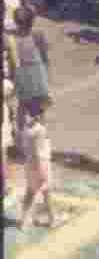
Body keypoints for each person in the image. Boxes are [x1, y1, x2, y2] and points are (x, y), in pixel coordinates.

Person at [16, 97, 62, 229]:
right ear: (38, 115)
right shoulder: (40, 130)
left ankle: (24, 220)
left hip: (29, 165)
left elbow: (25, 148)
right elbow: (38, 153)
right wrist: (41, 172)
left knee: (30, 192)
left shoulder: (26, 129)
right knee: (47, 191)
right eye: (42, 113)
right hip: (41, 165)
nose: (44, 115)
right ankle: (53, 219)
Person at [10, 7, 50, 139]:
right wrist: (46, 75)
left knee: (22, 107)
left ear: (16, 22)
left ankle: (22, 140)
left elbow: (12, 61)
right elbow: (44, 57)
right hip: (37, 74)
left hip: (23, 74)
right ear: (32, 21)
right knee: (39, 110)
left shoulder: (13, 38)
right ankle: (40, 138)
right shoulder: (38, 35)